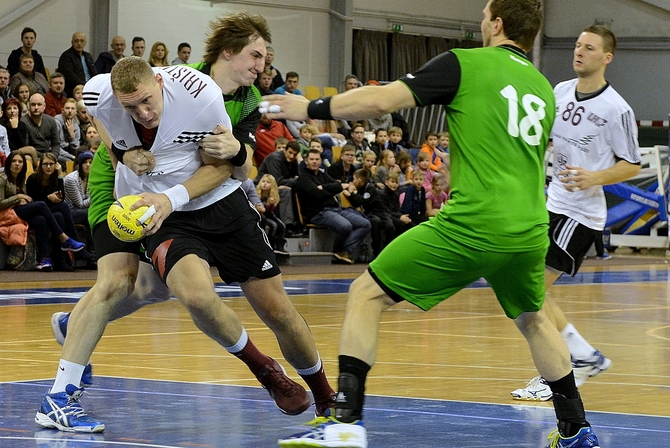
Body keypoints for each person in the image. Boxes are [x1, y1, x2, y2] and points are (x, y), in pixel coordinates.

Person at [262, 1, 601, 447]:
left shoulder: (465, 63)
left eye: (485, 14)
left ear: (497, 23)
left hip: (475, 223)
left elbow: (381, 99)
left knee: (365, 294)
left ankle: (344, 424)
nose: (482, 21)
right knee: (534, 318)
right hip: (530, 228)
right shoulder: (540, 84)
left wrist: (310, 106)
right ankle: (576, 430)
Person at [39, 12, 334, 432]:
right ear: (228, 53)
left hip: (204, 199)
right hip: (139, 197)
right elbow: (96, 104)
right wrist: (121, 154)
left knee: (159, 290)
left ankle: (327, 397)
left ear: (161, 86)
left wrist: (234, 154)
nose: (262, 66)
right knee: (123, 284)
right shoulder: (130, 86)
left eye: (265, 58)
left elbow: (237, 170)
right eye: (255, 56)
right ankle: (64, 385)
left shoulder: (223, 98)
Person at [510, 24, 641, 404]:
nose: (579, 51)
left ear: (607, 57)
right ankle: (582, 356)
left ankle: (566, 365)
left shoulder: (617, 108)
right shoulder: (560, 91)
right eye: (578, 45)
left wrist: (595, 176)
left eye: (589, 47)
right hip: (549, 204)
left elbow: (631, 164)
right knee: (522, 292)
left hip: (581, 215)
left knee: (529, 293)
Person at [1, 151, 84, 271]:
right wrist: (18, 198)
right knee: (42, 205)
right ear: (8, 163)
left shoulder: (20, 178)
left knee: (48, 217)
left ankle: (47, 259)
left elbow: (61, 197)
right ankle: (66, 239)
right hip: (7, 213)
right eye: (14, 161)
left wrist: (60, 175)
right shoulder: (3, 178)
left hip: (22, 211)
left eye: (20, 161)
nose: (17, 164)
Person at [295, 148, 371, 264]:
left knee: (365, 224)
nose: (314, 162)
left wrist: (324, 187)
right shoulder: (303, 178)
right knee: (345, 226)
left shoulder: (322, 175)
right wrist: (331, 189)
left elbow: (337, 185)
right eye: (312, 159)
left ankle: (345, 251)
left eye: (317, 159)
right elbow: (318, 194)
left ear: (320, 161)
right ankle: (338, 249)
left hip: (335, 209)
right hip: (318, 212)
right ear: (306, 161)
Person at [344, 168, 395, 258]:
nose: (352, 181)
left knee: (390, 226)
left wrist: (352, 193)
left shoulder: (370, 187)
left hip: (381, 211)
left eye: (354, 179)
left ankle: (388, 251)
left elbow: (364, 201)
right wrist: (351, 194)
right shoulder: (359, 189)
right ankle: (377, 251)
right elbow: (357, 203)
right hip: (371, 213)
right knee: (376, 222)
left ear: (359, 180)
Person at [256, 140, 301, 230]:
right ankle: (287, 225)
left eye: (295, 154)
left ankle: (300, 223)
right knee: (285, 191)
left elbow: (298, 179)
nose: (292, 156)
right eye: (290, 153)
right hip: (263, 188)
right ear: (285, 150)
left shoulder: (293, 160)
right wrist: (294, 181)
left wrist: (293, 181)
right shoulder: (275, 158)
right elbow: (278, 181)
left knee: (300, 189)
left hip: (276, 187)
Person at [0, 98, 39, 165]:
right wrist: (14, 129)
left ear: (19, 111)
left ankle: (36, 169)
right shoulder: (2, 125)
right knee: (31, 150)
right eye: (9, 109)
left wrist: (15, 128)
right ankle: (37, 168)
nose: (12, 111)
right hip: (7, 151)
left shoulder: (22, 125)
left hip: (18, 151)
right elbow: (8, 146)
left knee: (28, 158)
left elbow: (22, 145)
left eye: (15, 108)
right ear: (5, 112)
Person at [21, 93, 60, 160]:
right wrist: (45, 158)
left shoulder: (51, 120)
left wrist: (53, 158)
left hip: (49, 156)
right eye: (33, 104)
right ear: (28, 106)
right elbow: (26, 147)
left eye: (39, 104)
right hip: (32, 156)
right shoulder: (23, 122)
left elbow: (56, 144)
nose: (36, 107)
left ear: (44, 106)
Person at [256, 173, 288, 255]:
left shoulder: (272, 196)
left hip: (269, 214)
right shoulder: (256, 194)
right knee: (274, 225)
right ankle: (270, 244)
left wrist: (271, 205)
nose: (265, 184)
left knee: (282, 225)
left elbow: (270, 211)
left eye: (268, 182)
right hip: (261, 215)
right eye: (263, 181)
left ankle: (280, 245)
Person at [57, 32, 97, 97]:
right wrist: (85, 85)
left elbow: (94, 73)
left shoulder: (88, 56)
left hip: (89, 88)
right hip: (74, 89)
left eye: (82, 41)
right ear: (72, 42)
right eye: (76, 41)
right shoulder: (66, 56)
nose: (79, 43)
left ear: (85, 43)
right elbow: (70, 76)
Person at [63, 150, 93, 226]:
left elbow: (87, 199)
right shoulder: (71, 179)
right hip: (69, 211)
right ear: (80, 165)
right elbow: (80, 204)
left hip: (82, 210)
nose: (88, 165)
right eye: (85, 162)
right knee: (93, 212)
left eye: (90, 162)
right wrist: (97, 197)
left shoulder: (90, 177)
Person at [54, 98, 80, 164]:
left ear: (76, 112)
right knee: (70, 162)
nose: (70, 111)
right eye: (67, 108)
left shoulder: (76, 125)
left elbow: (76, 150)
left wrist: (72, 136)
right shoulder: (56, 122)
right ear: (62, 110)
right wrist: (71, 156)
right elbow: (55, 147)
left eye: (72, 108)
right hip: (57, 153)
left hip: (69, 153)